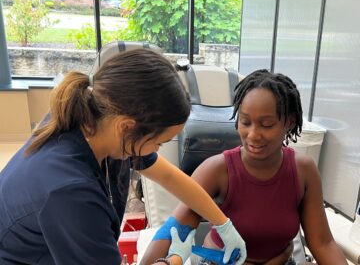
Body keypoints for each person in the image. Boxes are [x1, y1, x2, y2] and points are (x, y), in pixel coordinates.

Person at [0, 49, 246, 265]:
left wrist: (222, 223)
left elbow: (171, 177)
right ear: (127, 127)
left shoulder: (99, 123)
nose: (157, 150)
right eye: (158, 142)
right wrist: (172, 260)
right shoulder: (69, 191)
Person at [140, 69, 348, 265]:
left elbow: (322, 242)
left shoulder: (304, 171)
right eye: (245, 122)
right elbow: (175, 230)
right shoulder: (216, 170)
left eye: (266, 125)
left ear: (290, 122)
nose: (253, 135)